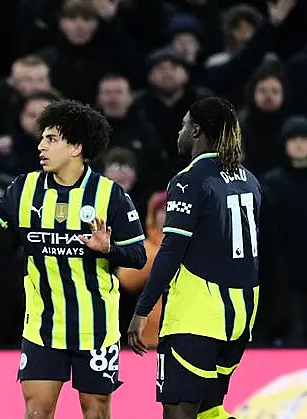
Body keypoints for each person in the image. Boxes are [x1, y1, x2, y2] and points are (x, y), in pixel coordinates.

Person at [0, 99, 147, 419]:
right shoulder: (25, 188)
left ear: (76, 147)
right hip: (42, 326)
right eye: (42, 138)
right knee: (36, 411)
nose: (41, 146)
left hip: (96, 328)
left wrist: (108, 250)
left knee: (96, 412)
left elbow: (137, 256)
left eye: (51, 139)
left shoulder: (110, 195)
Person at [127, 97, 261, 419]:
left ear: (197, 131)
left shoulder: (190, 181)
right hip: (241, 313)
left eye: (185, 124)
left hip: (198, 313)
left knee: (179, 411)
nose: (180, 131)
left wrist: (142, 310)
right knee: (211, 410)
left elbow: (171, 250)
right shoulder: (250, 180)